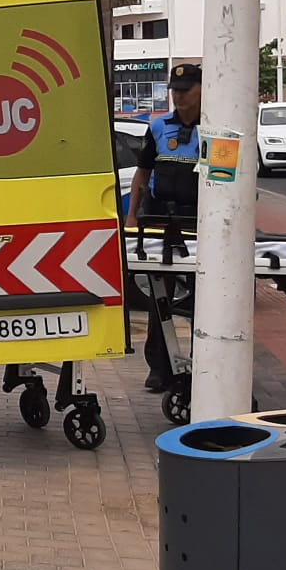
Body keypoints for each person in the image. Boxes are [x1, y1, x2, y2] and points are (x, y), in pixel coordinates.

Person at [126, 63, 202, 392]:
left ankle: (202, 366)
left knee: (204, 299)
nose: (178, 95)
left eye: (185, 89)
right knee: (160, 295)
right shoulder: (158, 127)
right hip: (159, 219)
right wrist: (132, 217)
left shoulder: (214, 128)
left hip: (199, 220)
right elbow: (142, 174)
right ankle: (159, 367)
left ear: (202, 90)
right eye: (175, 90)